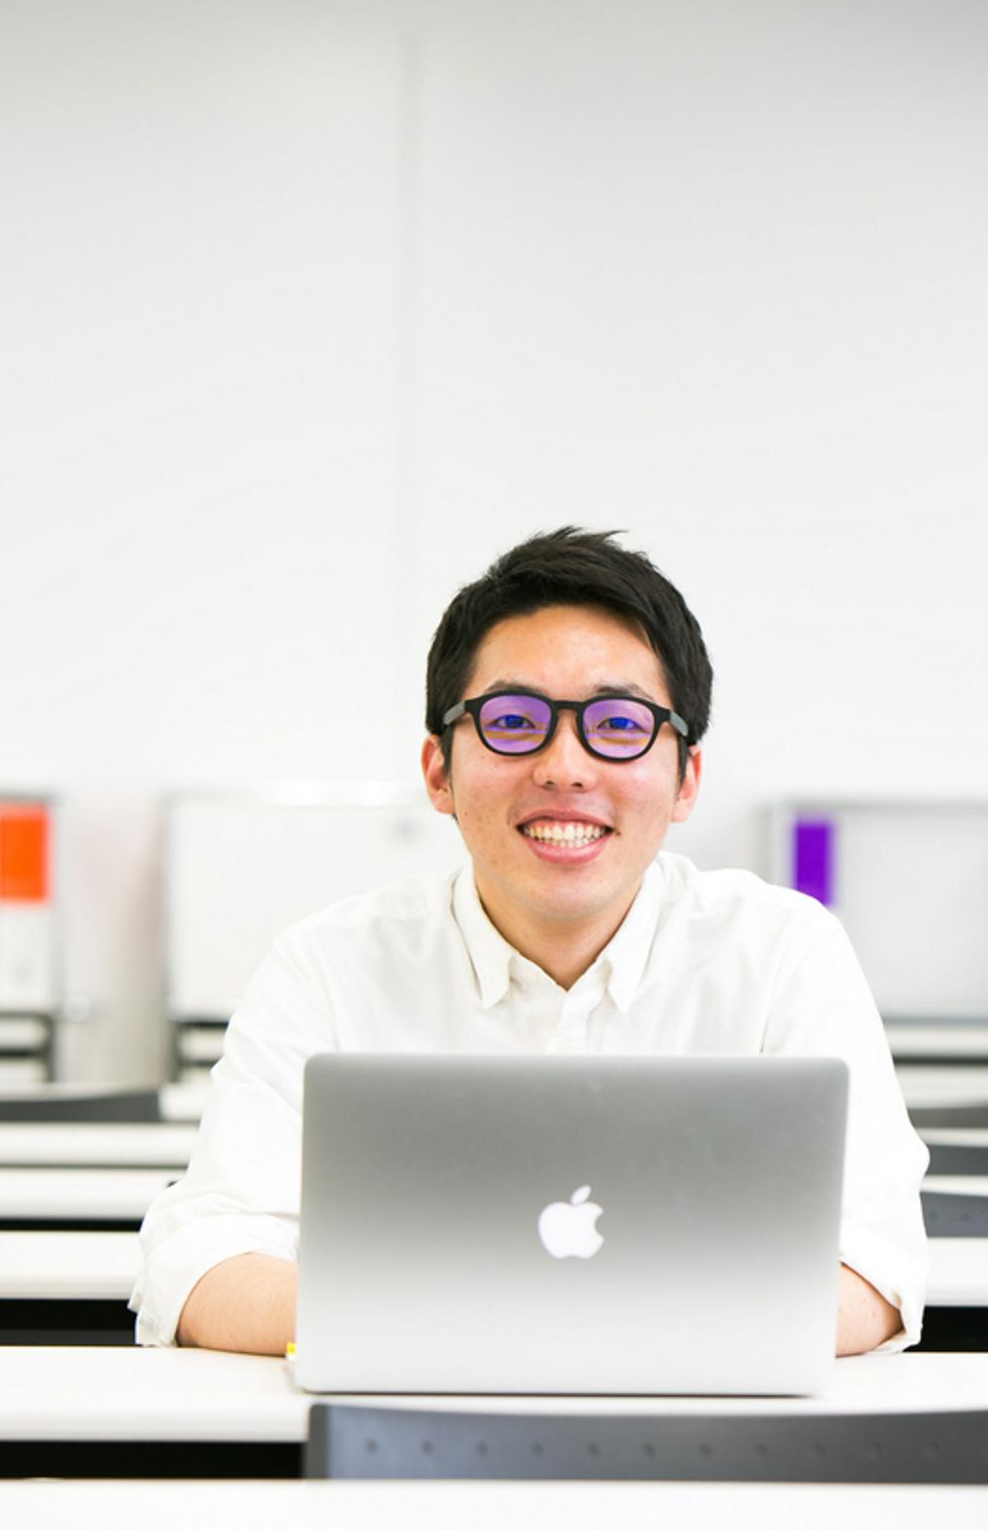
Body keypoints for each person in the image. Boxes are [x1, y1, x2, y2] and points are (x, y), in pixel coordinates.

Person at [131, 527, 928, 1356]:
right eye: (513, 721)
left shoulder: (782, 955)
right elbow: (202, 1265)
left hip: (703, 1425)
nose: (564, 768)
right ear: (438, 771)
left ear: (686, 778)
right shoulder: (328, 967)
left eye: (618, 724)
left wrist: (531, 1328)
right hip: (407, 1421)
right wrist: (504, 1331)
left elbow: (872, 1273)